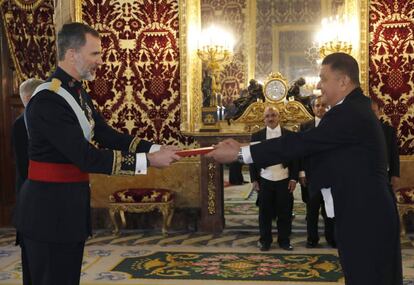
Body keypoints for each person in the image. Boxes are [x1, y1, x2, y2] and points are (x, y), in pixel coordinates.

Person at [207, 52, 402, 285]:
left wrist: (242, 152)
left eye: (323, 78)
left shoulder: (349, 113)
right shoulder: (353, 108)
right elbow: (308, 146)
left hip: (365, 216)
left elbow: (301, 143)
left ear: (343, 81)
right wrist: (246, 148)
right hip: (364, 211)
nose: (318, 85)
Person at [13, 22, 180, 285]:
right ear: (71, 54)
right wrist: (147, 161)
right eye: (95, 54)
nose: (100, 61)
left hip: (69, 206)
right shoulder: (49, 99)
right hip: (46, 211)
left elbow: (106, 135)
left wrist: (156, 148)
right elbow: (85, 156)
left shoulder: (77, 94)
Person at [249, 107, 298, 251]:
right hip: (265, 178)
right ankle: (265, 240)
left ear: (279, 117)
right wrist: (254, 179)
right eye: (267, 116)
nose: (271, 118)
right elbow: (252, 159)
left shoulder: (289, 135)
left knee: (285, 212)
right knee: (265, 213)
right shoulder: (257, 136)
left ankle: (284, 240)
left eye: (273, 115)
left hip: (284, 178)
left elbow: (295, 158)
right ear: (264, 119)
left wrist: (294, 178)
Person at [11, 78, 44, 284]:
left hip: (41, 194)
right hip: (30, 194)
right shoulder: (19, 125)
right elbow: (24, 167)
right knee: (30, 250)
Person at [299, 96, 335, 248]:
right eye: (317, 106)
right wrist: (301, 173)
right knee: (312, 210)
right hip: (311, 175)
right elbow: (300, 152)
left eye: (323, 106)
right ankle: (312, 239)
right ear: (313, 109)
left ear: (328, 108)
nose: (320, 108)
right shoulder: (305, 126)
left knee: (329, 209)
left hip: (330, 175)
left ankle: (331, 238)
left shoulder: (336, 125)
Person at [12, 78, 44, 195]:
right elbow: (22, 162)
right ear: (30, 98)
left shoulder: (45, 119)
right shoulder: (20, 124)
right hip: (30, 185)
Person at [371, 100, 400, 191]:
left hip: (385, 175)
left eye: (374, 111)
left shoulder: (389, 131)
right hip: (366, 174)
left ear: (379, 111)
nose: (371, 114)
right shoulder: (358, 131)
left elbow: (394, 155)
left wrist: (395, 175)